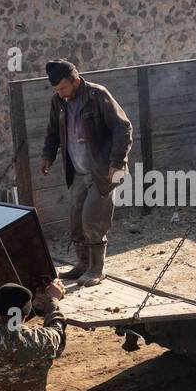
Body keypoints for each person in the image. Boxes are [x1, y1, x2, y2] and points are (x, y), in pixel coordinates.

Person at [39, 59, 132, 287]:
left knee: (92, 220)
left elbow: (123, 128)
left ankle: (96, 269)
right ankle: (81, 265)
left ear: (76, 81)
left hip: (103, 172)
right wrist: (47, 156)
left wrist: (117, 163)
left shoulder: (98, 96)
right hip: (78, 172)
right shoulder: (58, 102)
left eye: (63, 88)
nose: (60, 94)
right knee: (76, 221)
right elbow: (52, 131)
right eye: (56, 90)